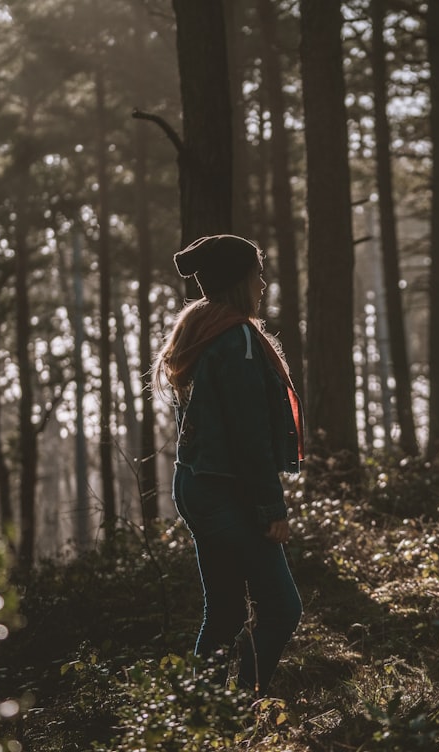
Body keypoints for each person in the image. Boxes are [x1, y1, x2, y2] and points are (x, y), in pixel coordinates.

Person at [152, 234, 304, 695]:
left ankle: (204, 717)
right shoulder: (235, 336)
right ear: (239, 281)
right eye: (256, 273)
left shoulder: (202, 328)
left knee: (225, 611)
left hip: (196, 484)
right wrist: (271, 508)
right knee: (281, 608)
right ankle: (240, 703)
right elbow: (248, 435)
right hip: (224, 491)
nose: (263, 283)